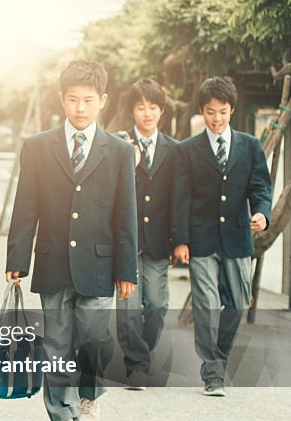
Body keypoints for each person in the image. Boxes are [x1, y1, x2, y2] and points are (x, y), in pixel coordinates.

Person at [5, 60, 138, 421]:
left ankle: (90, 394)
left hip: (100, 263)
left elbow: (125, 214)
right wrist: (17, 257)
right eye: (74, 99)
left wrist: (126, 268)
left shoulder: (118, 151)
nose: (81, 107)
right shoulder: (38, 146)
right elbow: (25, 204)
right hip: (53, 261)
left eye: (89, 100)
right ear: (62, 99)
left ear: (103, 101)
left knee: (96, 337)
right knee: (57, 343)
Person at [172, 76, 272, 397]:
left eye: (223, 112)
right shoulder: (187, 150)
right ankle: (212, 372)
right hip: (200, 239)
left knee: (238, 302)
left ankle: (218, 357)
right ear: (202, 111)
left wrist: (261, 213)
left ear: (232, 110)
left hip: (238, 236)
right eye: (211, 112)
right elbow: (180, 197)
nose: (216, 119)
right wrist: (180, 240)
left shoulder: (251, 146)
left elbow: (260, 187)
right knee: (205, 302)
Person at [115, 78, 180, 389]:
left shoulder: (175, 150)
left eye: (153, 107)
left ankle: (143, 354)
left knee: (156, 304)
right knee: (128, 307)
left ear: (161, 110)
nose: (147, 113)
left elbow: (179, 198)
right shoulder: (119, 145)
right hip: (126, 240)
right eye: (141, 107)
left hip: (158, 241)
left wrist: (179, 240)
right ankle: (137, 365)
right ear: (132, 111)